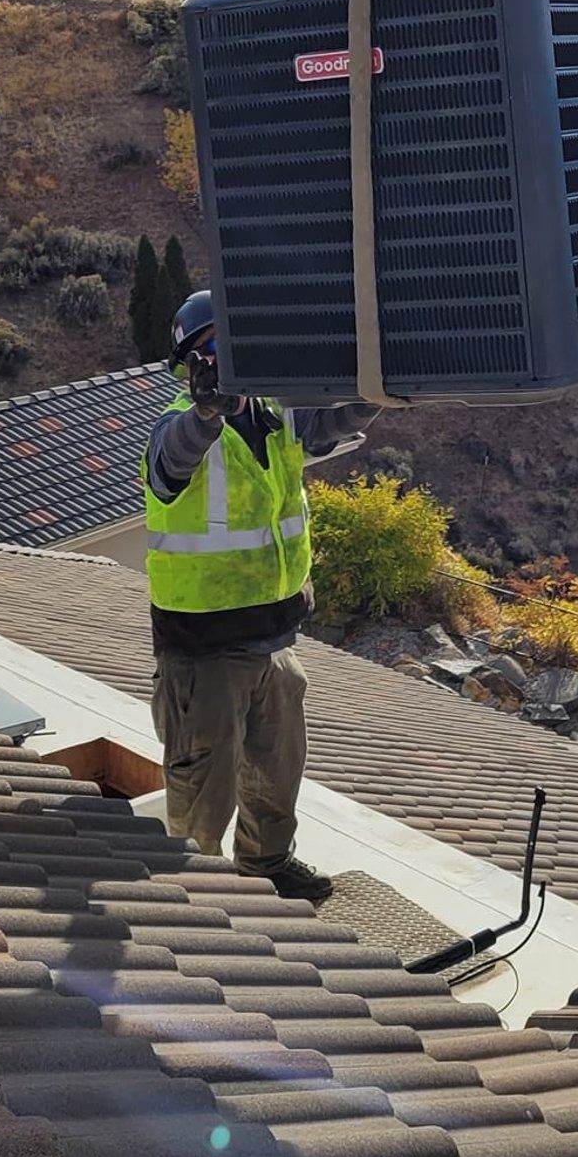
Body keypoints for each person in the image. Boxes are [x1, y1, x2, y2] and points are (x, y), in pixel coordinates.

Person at [142, 288, 374, 901]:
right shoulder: (178, 425)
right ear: (190, 364)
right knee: (203, 787)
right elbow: (173, 461)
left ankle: (266, 861)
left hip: (273, 637)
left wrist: (380, 391)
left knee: (277, 767)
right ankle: (195, 893)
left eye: (237, 344)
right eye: (213, 349)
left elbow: (333, 421)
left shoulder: (275, 416)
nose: (228, 359)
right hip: (205, 647)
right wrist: (206, 414)